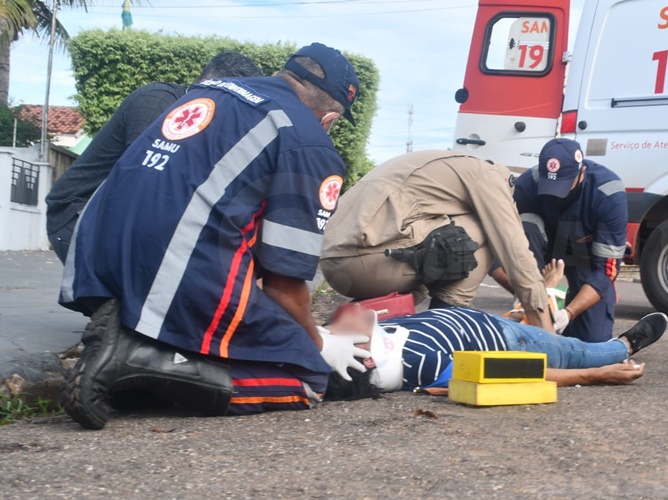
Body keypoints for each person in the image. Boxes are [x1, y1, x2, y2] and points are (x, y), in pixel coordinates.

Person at [59, 43, 369, 430]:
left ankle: (132, 366)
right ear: (329, 118)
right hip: (174, 273)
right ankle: (136, 359)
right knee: (305, 375)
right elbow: (283, 283)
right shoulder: (307, 138)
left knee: (225, 338)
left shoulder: (212, 92)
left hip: (95, 264)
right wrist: (318, 342)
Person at [45, 51, 264, 262]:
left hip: (117, 218)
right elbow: (145, 185)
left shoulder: (211, 124)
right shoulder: (158, 102)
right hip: (77, 213)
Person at [320, 150, 554, 332]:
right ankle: (446, 318)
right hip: (367, 260)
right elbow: (515, 250)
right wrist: (542, 320)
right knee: (492, 229)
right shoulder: (488, 177)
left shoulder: (447, 166)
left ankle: (355, 320)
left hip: (338, 264)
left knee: (436, 248)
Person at [322, 303, 668, 400]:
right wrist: (595, 376)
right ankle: (624, 345)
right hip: (513, 342)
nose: (337, 317)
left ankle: (550, 315)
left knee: (565, 342)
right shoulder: (421, 366)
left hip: (487, 321)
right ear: (365, 358)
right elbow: (511, 373)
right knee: (579, 350)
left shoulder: (386, 344)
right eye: (337, 329)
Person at [494, 138, 628, 343]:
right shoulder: (526, 185)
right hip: (542, 247)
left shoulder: (608, 194)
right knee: (524, 223)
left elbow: (604, 271)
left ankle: (574, 315)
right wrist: (531, 293)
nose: (557, 195)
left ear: (581, 172)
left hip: (585, 255)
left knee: (591, 341)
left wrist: (569, 313)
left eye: (563, 186)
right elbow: (492, 247)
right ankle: (533, 306)